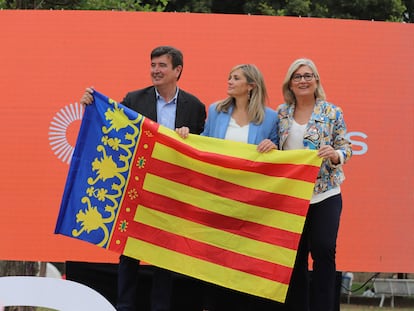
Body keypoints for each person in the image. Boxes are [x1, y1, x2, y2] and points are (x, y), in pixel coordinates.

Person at [80, 45, 206, 311]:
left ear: (177, 70)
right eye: (153, 65)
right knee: (129, 253)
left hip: (172, 191)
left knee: (164, 254)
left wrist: (190, 136)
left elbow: (204, 148)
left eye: (162, 65)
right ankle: (124, 306)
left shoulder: (194, 107)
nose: (155, 71)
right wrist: (91, 105)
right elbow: (113, 126)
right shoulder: (135, 99)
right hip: (138, 187)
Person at [177, 64, 278, 310]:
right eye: (229, 77)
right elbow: (206, 144)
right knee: (213, 255)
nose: (230, 82)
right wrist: (186, 135)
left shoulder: (271, 117)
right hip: (217, 194)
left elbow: (280, 156)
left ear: (251, 86)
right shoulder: (216, 111)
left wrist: (272, 146)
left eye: (236, 78)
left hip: (249, 201)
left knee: (241, 256)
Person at [274, 58, 352, 311]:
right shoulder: (281, 113)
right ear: (290, 83)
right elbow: (277, 148)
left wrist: (335, 154)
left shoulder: (332, 112)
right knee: (295, 258)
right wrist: (269, 147)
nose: (303, 80)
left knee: (324, 249)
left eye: (308, 75)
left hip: (326, 193)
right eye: (297, 76)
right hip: (292, 196)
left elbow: (346, 147)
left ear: (316, 80)